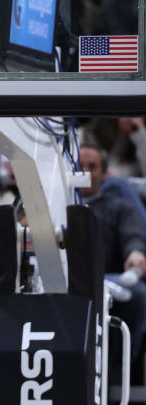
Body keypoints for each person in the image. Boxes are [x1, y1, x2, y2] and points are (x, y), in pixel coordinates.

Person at [80, 143, 146, 356]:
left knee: (138, 294)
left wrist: (135, 253)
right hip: (58, 278)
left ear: (104, 173)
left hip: (107, 279)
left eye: (93, 166)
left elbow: (133, 236)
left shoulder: (119, 207)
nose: (86, 172)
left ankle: (127, 361)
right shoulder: (52, 204)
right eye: (80, 166)